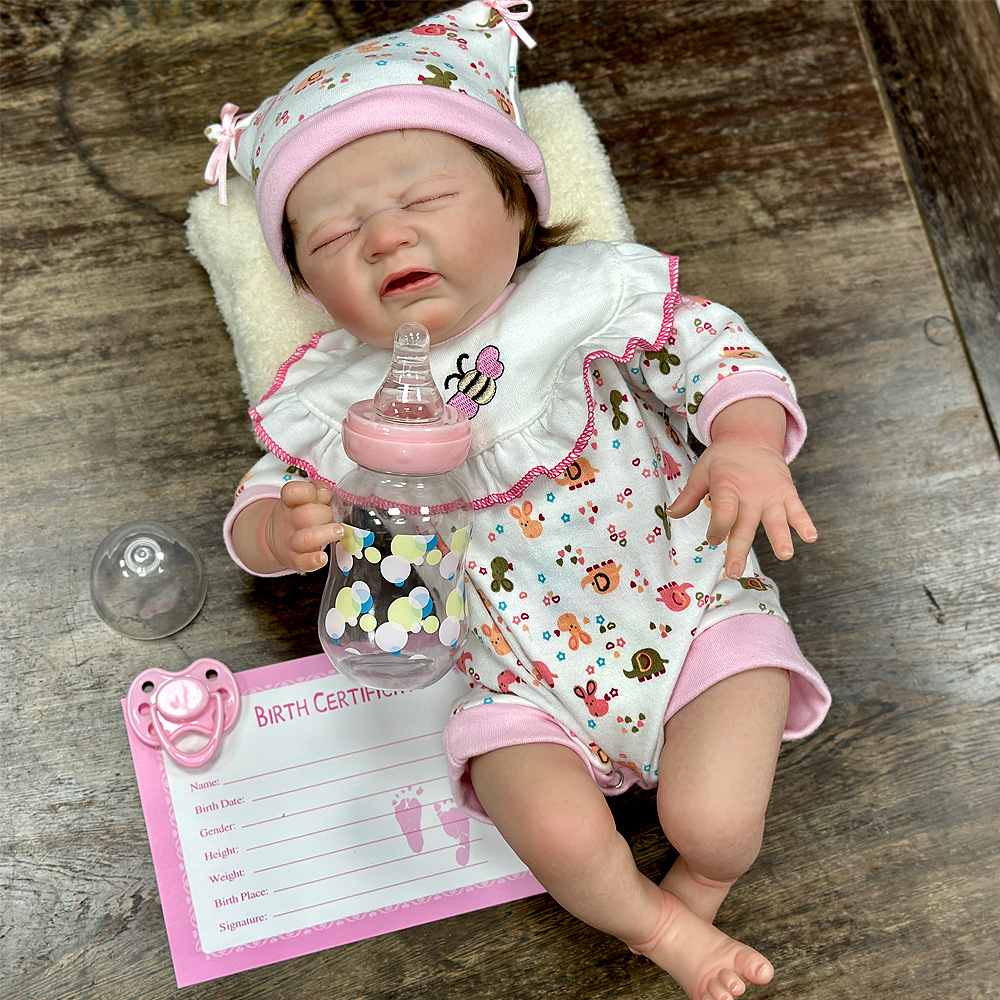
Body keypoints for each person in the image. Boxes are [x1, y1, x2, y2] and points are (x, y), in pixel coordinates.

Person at [205, 4, 830, 998]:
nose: (385, 236)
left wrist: (746, 438)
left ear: (516, 205)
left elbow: (713, 348)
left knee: (715, 821)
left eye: (425, 196)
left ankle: (704, 880)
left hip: (687, 609)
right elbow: (258, 499)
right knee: (552, 832)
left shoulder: (580, 296)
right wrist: (278, 530)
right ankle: (655, 928)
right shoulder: (335, 395)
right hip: (518, 682)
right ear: (310, 288)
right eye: (334, 234)